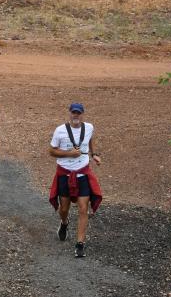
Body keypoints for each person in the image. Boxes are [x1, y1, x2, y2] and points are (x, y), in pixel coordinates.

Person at [48, 103, 103, 258]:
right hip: (65, 174)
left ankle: (80, 244)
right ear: (69, 113)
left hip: (82, 173)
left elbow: (90, 139)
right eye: (74, 112)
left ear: (82, 114)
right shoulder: (60, 130)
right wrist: (69, 154)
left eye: (78, 113)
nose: (76, 115)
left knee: (83, 208)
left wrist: (94, 154)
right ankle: (64, 223)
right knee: (64, 208)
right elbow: (51, 151)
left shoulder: (89, 128)